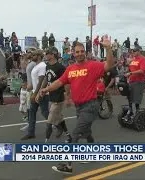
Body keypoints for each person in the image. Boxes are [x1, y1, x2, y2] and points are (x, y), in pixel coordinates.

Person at [39, 36, 114, 174]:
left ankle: (68, 165)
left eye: (81, 51)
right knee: (86, 132)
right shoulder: (70, 69)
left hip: (90, 106)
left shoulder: (92, 65)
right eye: (77, 52)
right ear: (73, 53)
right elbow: (60, 82)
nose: (79, 53)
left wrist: (108, 48)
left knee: (75, 134)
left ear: (84, 52)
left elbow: (109, 65)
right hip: (79, 107)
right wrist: (46, 89)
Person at [36, 46, 72, 143]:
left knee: (49, 122)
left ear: (52, 55)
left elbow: (66, 82)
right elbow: (45, 79)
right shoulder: (47, 66)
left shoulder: (60, 68)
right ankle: (69, 137)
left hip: (58, 98)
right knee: (59, 119)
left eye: (47, 54)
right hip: (51, 97)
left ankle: (46, 143)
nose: (46, 55)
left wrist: (67, 97)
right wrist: (41, 90)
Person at [21, 49, 49, 140]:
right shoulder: (36, 66)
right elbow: (35, 80)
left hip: (41, 93)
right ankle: (31, 132)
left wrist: (36, 93)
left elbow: (41, 81)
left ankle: (60, 125)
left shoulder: (42, 66)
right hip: (34, 92)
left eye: (34, 55)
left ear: (39, 56)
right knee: (32, 112)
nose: (32, 57)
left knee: (45, 113)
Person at [124, 46, 145, 117]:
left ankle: (137, 112)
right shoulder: (134, 59)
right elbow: (131, 69)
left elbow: (142, 70)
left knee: (136, 98)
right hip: (131, 80)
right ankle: (130, 111)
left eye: (134, 51)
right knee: (130, 96)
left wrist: (131, 73)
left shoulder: (143, 59)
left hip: (139, 81)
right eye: (132, 51)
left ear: (138, 51)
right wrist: (128, 73)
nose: (133, 53)